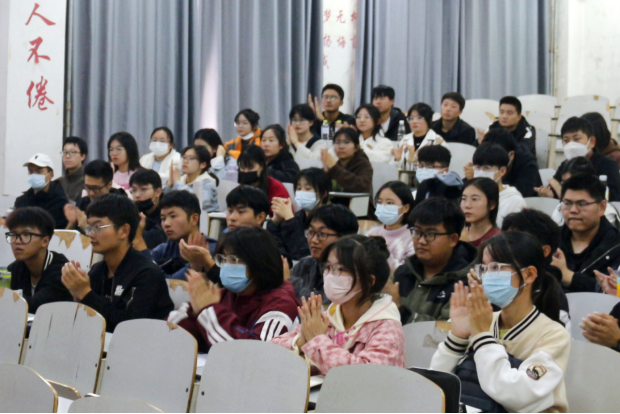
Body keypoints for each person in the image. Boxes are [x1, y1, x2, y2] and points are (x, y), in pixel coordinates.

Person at [431, 232, 570, 413]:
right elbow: (435, 388)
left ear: (529, 274)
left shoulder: (553, 335)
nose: (487, 276)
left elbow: (517, 395)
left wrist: (483, 337)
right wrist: (458, 337)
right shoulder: (483, 319)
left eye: (496, 267)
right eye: (484, 268)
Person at [272, 235, 406, 374]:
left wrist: (317, 340)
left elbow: (364, 375)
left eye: (340, 269)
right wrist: (301, 341)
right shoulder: (329, 317)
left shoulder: (386, 327)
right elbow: (273, 348)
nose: (330, 275)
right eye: (328, 267)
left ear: (368, 281)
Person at [167, 226, 300, 350]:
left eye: (233, 259)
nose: (225, 266)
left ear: (258, 262)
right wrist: (193, 311)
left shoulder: (281, 304)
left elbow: (253, 352)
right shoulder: (225, 294)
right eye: (223, 259)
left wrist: (208, 310)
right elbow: (170, 331)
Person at [61, 194, 174, 333]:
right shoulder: (97, 270)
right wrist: (77, 297)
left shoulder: (147, 274)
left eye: (98, 227)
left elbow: (128, 328)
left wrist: (85, 294)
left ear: (124, 231)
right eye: (89, 227)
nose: (91, 234)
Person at [389, 198, 477, 324]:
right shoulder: (404, 272)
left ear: (453, 239)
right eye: (417, 232)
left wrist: (399, 311)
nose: (421, 241)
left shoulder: (465, 283)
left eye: (430, 234)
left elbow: (446, 329)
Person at [176, 185, 271, 286]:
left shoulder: (265, 248)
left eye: (241, 212)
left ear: (260, 217)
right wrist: (198, 265)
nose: (232, 217)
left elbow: (234, 286)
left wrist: (207, 261)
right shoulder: (225, 242)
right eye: (230, 211)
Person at [502, 209, 573, 331]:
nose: (506, 248)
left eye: (517, 242)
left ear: (544, 251)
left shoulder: (553, 299)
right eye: (505, 241)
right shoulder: (494, 283)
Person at [552, 175, 620, 292]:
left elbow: (615, 291)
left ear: (602, 207)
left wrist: (568, 276)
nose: (573, 210)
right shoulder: (550, 239)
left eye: (582, 204)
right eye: (567, 203)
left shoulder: (615, 246)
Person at [6, 207, 72, 313]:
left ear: (45, 241)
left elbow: (37, 306)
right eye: (13, 235)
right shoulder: (15, 268)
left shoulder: (62, 272)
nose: (17, 241)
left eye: (26, 235)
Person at [290, 205, 359, 304]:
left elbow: (325, 306)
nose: (313, 240)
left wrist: (290, 283)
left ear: (344, 238)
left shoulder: (347, 272)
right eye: (311, 232)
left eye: (322, 234)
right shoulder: (305, 264)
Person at [139, 191, 216, 280]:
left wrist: (138, 241)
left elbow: (168, 283)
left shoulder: (212, 251)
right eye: (163, 218)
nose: (166, 224)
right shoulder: (162, 250)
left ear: (194, 219)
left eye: (173, 216)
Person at [268, 168, 332, 262]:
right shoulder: (298, 217)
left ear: (324, 194)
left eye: (308, 189)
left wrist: (289, 219)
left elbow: (304, 254)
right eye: (298, 189)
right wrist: (275, 222)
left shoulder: (331, 218)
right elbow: (278, 248)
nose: (302, 192)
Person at [552, 117, 620, 201]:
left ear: (591, 141)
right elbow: (554, 187)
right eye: (566, 140)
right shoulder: (565, 165)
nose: (571, 145)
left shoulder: (608, 165)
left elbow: (615, 197)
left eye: (576, 139)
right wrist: (549, 193)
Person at [546, 157, 618, 226]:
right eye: (564, 184)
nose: (573, 210)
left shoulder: (606, 212)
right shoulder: (561, 207)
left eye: (572, 183)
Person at [64, 161, 127, 232]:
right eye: (87, 187)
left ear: (109, 185)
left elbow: (111, 237)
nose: (91, 193)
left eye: (95, 189)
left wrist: (86, 227)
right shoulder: (83, 202)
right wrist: (72, 222)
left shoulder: (120, 205)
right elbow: (67, 236)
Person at [477, 129, 542, 198]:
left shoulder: (529, 167)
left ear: (511, 155)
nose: (492, 162)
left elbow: (518, 196)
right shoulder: (483, 159)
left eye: (496, 158)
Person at [472, 144, 525, 228]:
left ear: (502, 171)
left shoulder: (514, 201)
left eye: (487, 168)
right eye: (478, 167)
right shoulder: (469, 195)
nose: (480, 173)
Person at [368, 181, 415, 270]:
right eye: (380, 202)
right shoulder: (372, 233)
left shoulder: (412, 238)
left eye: (390, 203)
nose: (383, 207)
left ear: (405, 208)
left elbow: (406, 271)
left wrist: (383, 254)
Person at [15, 154, 69, 229]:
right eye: (30, 171)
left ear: (51, 175)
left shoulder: (60, 202)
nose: (34, 175)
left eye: (39, 171)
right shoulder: (21, 201)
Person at [392, 103, 448, 170]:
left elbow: (442, 168)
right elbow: (393, 169)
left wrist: (414, 160)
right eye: (411, 118)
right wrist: (397, 159)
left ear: (428, 119)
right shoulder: (404, 140)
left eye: (419, 118)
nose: (414, 121)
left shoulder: (437, 141)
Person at [322, 127, 373, 199]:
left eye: (346, 142)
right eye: (337, 142)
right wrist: (324, 172)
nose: (341, 147)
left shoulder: (364, 165)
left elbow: (362, 187)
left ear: (356, 147)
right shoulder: (336, 165)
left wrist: (334, 169)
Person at [164, 145, 219, 213]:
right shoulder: (181, 180)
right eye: (184, 158)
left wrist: (178, 183)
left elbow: (200, 202)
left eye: (191, 158)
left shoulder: (208, 182)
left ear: (203, 164)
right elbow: (164, 203)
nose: (185, 161)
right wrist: (169, 185)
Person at [237, 145, 289, 212]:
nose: (246, 171)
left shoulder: (276, 188)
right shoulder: (239, 190)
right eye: (242, 168)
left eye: (250, 168)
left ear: (262, 166)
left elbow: (284, 214)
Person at [129, 170, 167, 250]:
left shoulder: (168, 209)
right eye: (134, 190)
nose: (137, 195)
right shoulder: (133, 209)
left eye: (143, 189)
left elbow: (156, 238)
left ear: (158, 192)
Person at [460, 178, 501, 248]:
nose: (467, 205)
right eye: (464, 199)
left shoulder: (498, 240)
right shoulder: (457, 234)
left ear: (492, 204)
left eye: (474, 199)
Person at [57, 137, 88, 202]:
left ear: (83, 156)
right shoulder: (57, 183)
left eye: (73, 152)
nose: (67, 156)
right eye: (65, 152)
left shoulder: (88, 181)